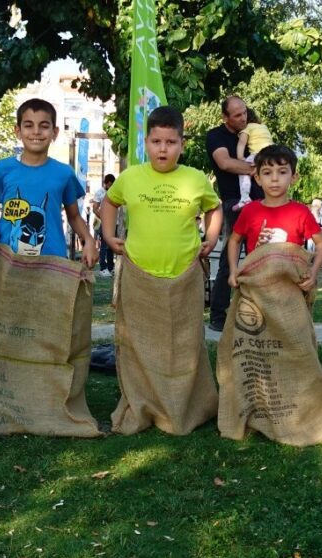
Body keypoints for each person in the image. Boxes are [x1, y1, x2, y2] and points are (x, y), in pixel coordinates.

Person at [100, 105, 222, 435]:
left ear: (181, 143)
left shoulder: (195, 179)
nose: (163, 149)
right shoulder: (131, 177)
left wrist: (210, 239)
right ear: (146, 142)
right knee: (139, 342)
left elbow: (215, 208)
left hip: (184, 275)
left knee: (184, 342)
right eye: (156, 141)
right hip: (140, 275)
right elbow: (109, 203)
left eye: (170, 142)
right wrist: (109, 236)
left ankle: (184, 404)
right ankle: (144, 401)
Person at [0, 98, 96, 264]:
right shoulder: (1, 169)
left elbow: (74, 216)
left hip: (52, 262)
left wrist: (89, 240)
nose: (36, 132)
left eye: (44, 126)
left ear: (55, 132)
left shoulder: (64, 173)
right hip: (7, 261)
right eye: (28, 125)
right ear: (18, 131)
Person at [227, 145, 322, 292]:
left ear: (293, 177)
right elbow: (234, 240)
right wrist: (233, 270)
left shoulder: (301, 212)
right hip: (254, 285)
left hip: (290, 287)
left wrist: (313, 271)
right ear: (258, 178)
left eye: (282, 172)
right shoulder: (250, 211)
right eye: (267, 173)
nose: (274, 179)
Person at [206, 95, 264, 331]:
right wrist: (260, 168)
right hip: (235, 204)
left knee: (260, 259)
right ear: (225, 117)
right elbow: (225, 163)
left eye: (245, 112)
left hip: (262, 202)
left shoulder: (254, 129)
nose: (243, 117)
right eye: (237, 115)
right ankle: (218, 317)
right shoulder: (216, 135)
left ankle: (257, 314)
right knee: (229, 262)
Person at [234, 108, 274, 209]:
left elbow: (241, 143)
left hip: (258, 154)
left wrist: (240, 158)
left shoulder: (247, 127)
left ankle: (245, 198)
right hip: (272, 154)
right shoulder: (263, 126)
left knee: (243, 171)